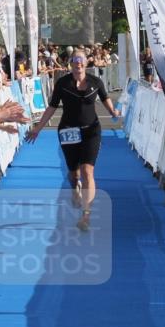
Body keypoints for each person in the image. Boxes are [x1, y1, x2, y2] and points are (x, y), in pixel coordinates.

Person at [26, 49, 120, 232]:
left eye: (81, 60)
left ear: (86, 63)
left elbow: (106, 99)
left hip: (91, 131)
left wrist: (113, 111)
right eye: (75, 60)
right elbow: (52, 107)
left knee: (87, 172)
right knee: (74, 174)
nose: (78, 63)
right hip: (68, 131)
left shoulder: (96, 82)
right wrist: (38, 128)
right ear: (71, 63)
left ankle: (86, 214)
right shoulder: (62, 83)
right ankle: (74, 188)